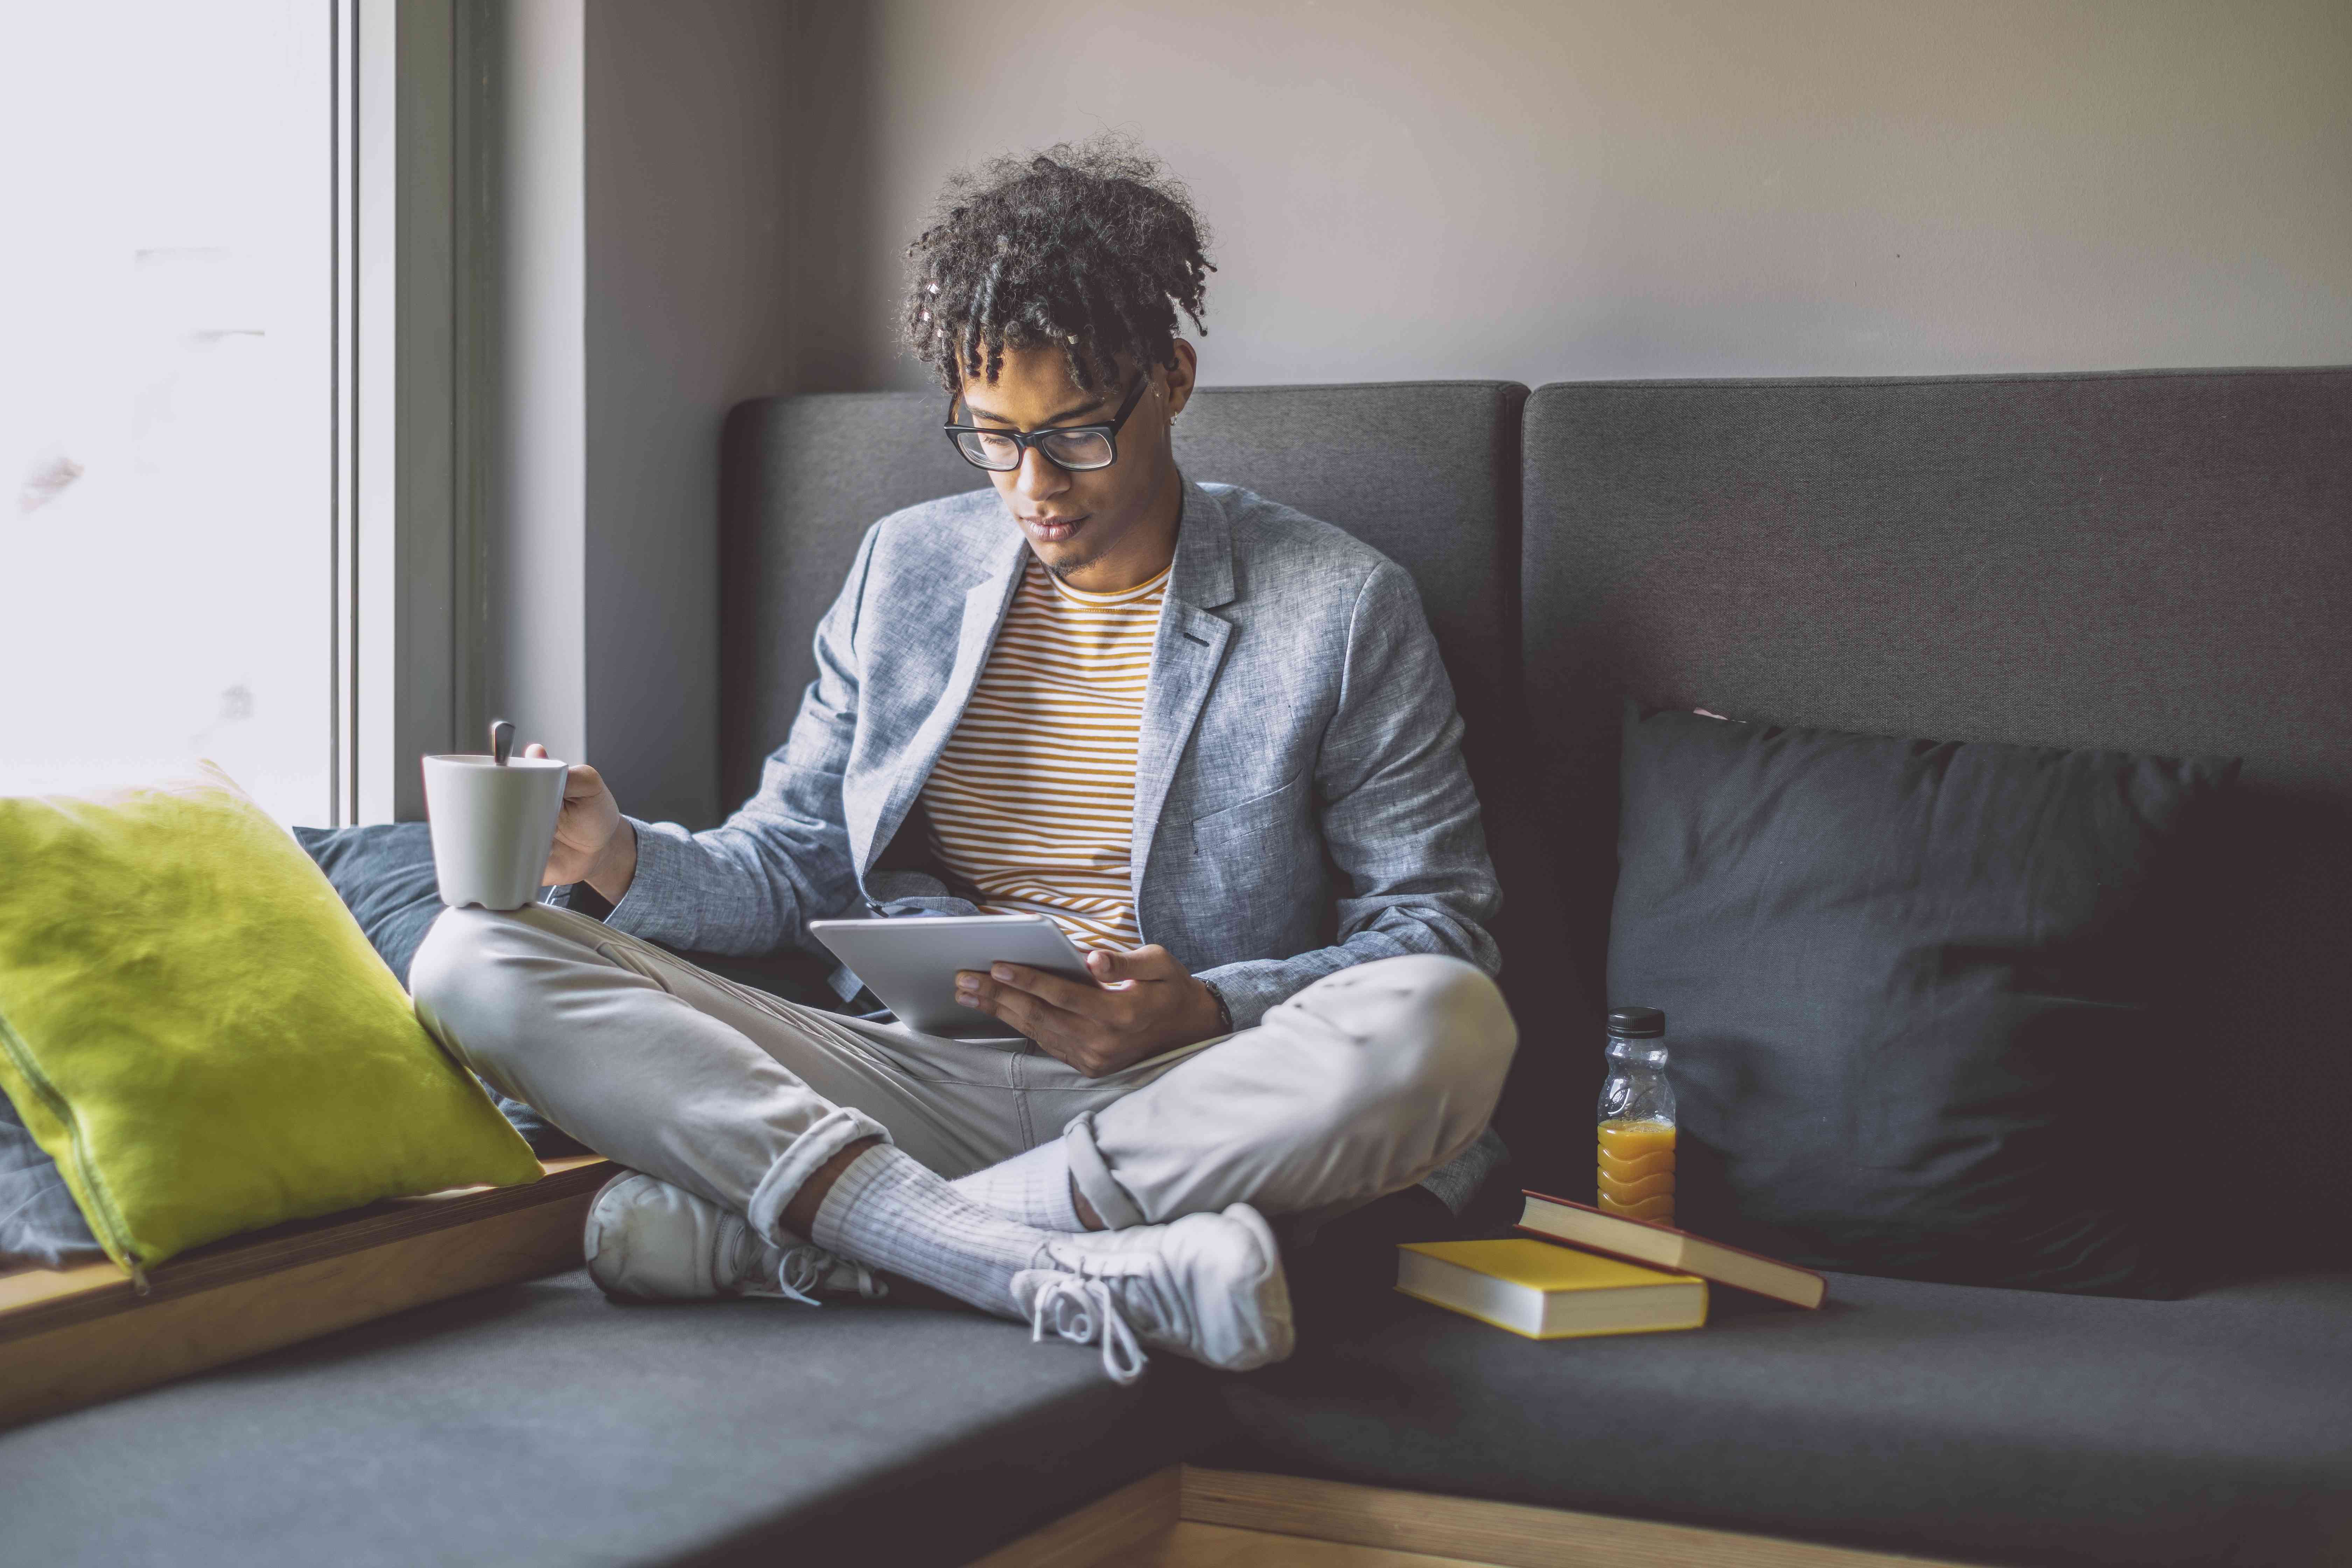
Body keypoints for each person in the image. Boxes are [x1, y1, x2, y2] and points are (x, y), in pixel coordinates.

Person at [410, 137, 1516, 1384]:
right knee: (474, 952)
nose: (1035, 486)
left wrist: (1203, 1005)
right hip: (911, 1075)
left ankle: (843, 1243)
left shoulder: (1340, 606)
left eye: (1079, 436)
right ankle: (1042, 1257)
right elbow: (791, 863)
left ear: (1175, 379)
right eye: (993, 438)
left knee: (1450, 1021)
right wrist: (617, 860)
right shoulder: (906, 571)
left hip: (1190, 1092)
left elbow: (1437, 931)